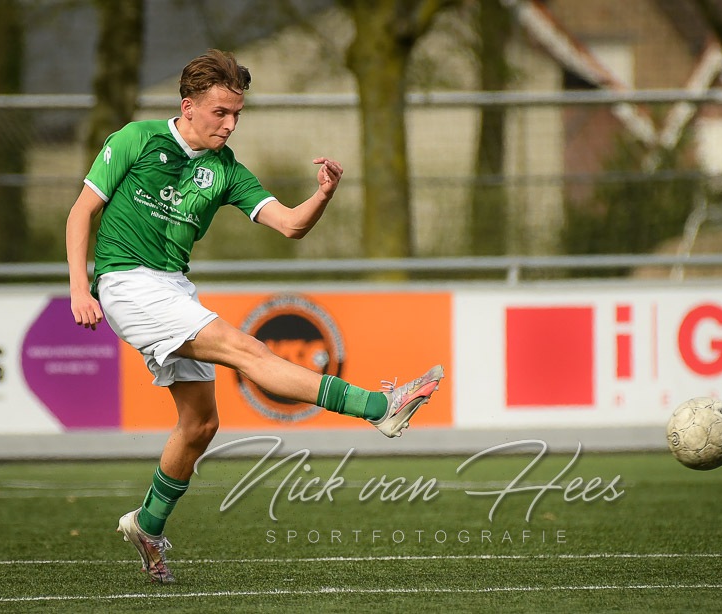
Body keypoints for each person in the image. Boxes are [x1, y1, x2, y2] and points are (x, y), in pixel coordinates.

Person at [65, 49, 444, 584]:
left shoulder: (225, 170)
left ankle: (147, 526)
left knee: (201, 424)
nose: (229, 123)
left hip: (174, 288)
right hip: (126, 283)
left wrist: (323, 194)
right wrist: (80, 288)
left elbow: (290, 225)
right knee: (248, 351)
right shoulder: (137, 138)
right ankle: (379, 406)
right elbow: (82, 211)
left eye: (237, 114)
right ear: (188, 106)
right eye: (220, 112)